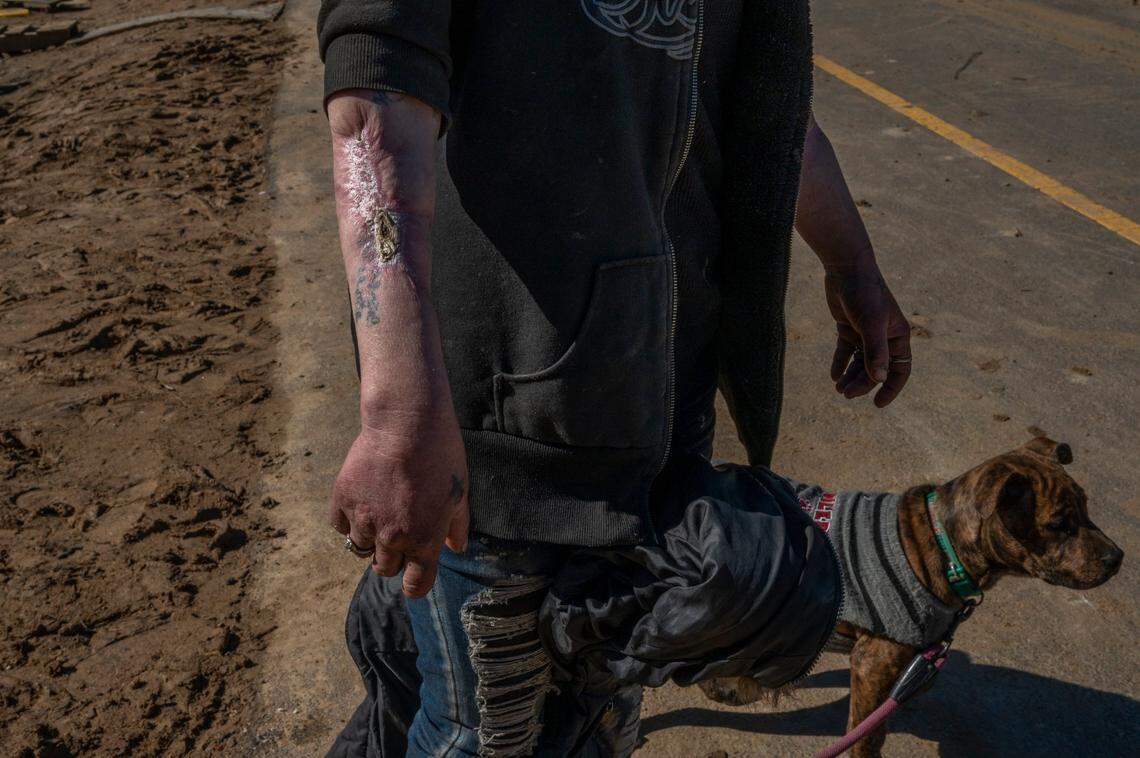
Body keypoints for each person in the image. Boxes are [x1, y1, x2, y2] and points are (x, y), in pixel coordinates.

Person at [318, 1, 911, 755]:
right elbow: (375, 88)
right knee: (487, 731)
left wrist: (854, 264)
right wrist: (397, 413)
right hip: (495, 429)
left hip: (657, 420)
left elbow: (767, 106)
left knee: (602, 716)